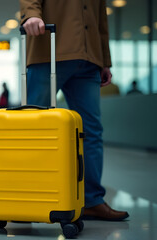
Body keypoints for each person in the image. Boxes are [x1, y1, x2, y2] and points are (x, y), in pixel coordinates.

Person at [20, 0, 129, 221]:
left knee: (91, 131)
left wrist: (105, 61)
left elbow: (101, 20)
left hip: (89, 59)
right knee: (33, 128)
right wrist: (30, 15)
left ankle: (92, 200)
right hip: (49, 49)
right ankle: (26, 198)